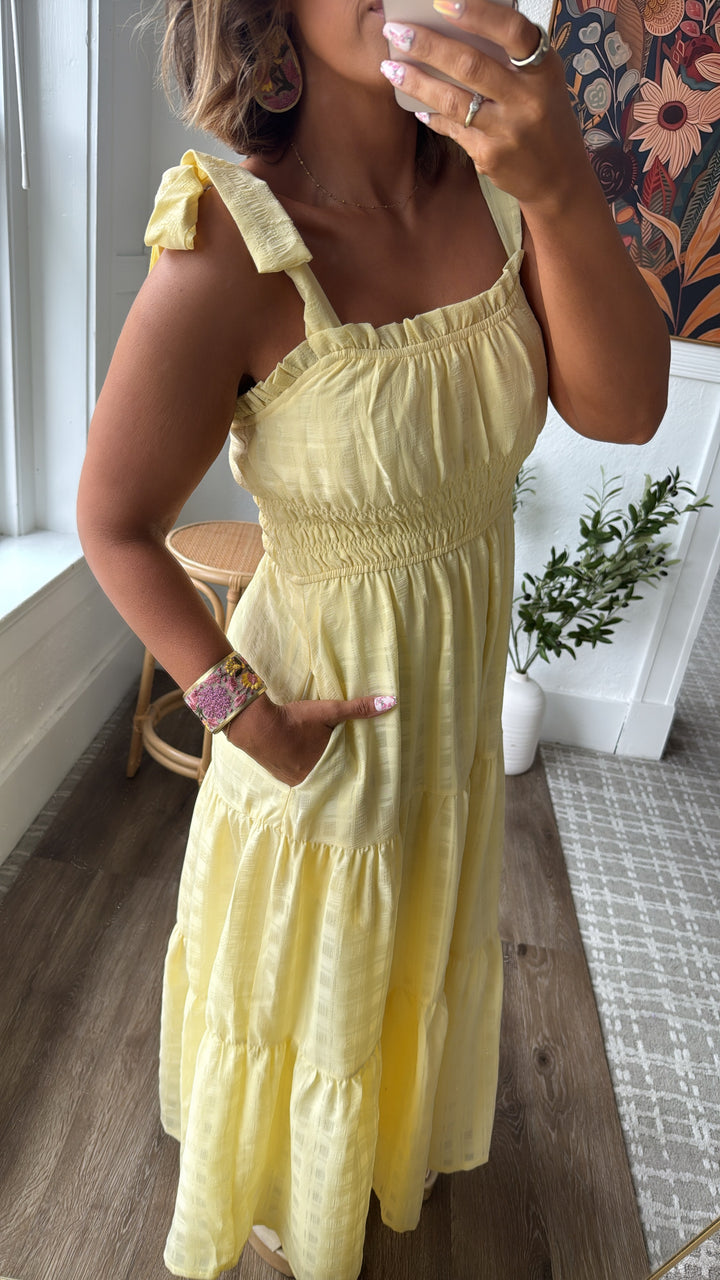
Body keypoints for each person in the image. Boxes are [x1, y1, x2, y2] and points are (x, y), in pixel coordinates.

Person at [76, 2, 670, 1278]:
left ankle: (377, 1154)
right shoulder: (233, 248)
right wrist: (242, 715)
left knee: (404, 968)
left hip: (447, 737)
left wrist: (563, 182)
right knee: (312, 1000)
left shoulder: (503, 194)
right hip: (317, 752)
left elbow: (625, 411)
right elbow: (114, 522)